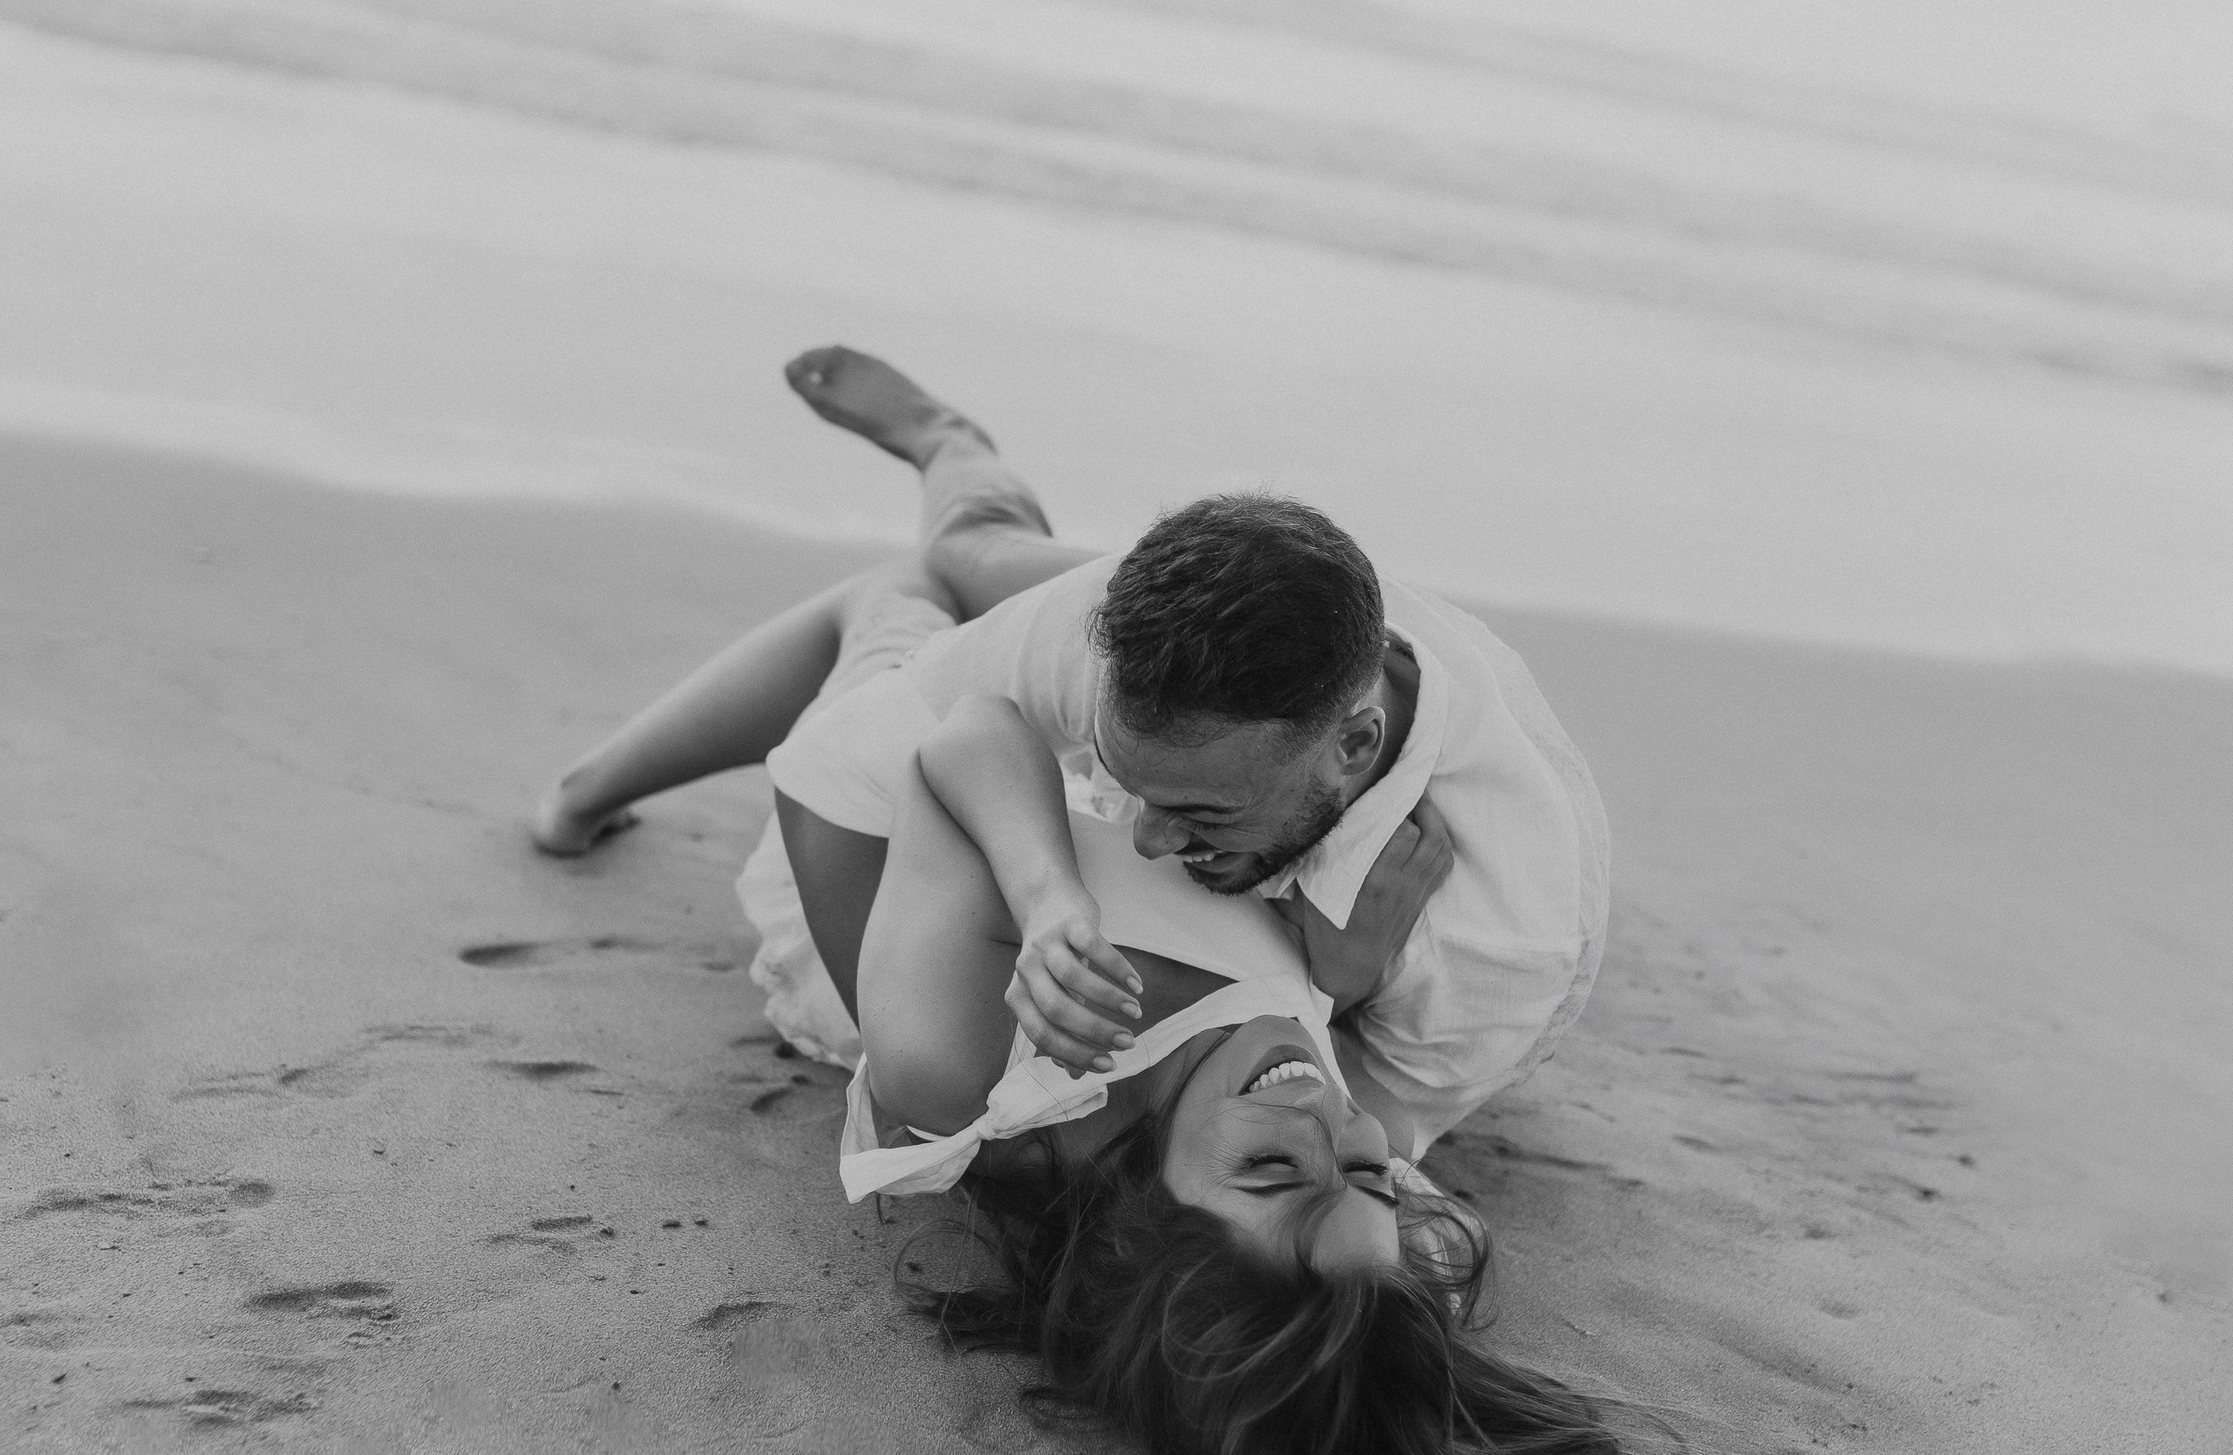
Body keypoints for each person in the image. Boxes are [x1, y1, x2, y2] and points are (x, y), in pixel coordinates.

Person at [529, 354, 1814, 1455]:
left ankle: (583, 792)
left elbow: (967, 734)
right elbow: (1322, 1073)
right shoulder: (1296, 1105)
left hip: (891, 833)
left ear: (1147, 1216)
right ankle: (961, 476)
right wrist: (1344, 971)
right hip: (1092, 792)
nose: (1323, 1118)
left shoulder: (961, 1064)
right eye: (1370, 1173)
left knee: (891, 604)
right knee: (998, 570)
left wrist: (1037, 905)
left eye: (1275, 1170)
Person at [542, 348, 1609, 1165]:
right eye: (1122, 780)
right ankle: (947, 441)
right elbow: (835, 773)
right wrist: (910, 1000)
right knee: (948, 569)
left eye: (1200, 815)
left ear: (1354, 747)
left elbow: (1349, 1134)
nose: (1144, 837)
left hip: (1369, 721)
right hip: (1260, 616)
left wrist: (1347, 986)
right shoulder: (1113, 647)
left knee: (912, 592)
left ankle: (607, 775)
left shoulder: (1500, 931)